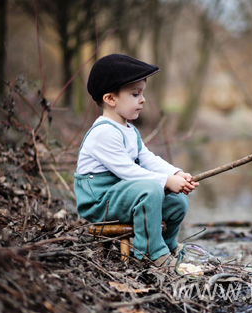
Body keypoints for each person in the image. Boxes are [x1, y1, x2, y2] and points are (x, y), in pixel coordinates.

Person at [74, 54, 198, 267]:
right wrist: (165, 181)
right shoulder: (103, 132)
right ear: (110, 99)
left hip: (122, 195)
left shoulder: (129, 130)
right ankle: (152, 253)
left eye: (142, 93)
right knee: (150, 190)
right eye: (135, 94)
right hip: (100, 202)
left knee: (177, 201)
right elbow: (129, 172)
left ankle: (168, 246)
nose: (143, 99)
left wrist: (176, 174)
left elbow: (148, 159)